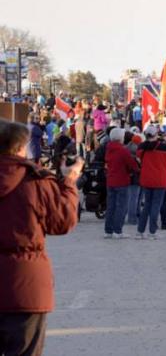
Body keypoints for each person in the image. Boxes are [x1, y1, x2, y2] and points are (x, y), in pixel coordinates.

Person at [0, 119, 81, 356]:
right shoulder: (36, 181)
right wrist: (68, 182)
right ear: (20, 147)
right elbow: (62, 223)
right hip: (26, 286)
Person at [136, 127, 166, 239]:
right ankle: (152, 232)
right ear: (156, 135)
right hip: (160, 180)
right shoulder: (164, 147)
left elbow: (138, 155)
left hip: (147, 179)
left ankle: (140, 231)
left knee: (147, 205)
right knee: (155, 206)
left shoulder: (141, 147)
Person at [103, 128, 139, 239]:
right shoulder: (123, 151)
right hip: (122, 180)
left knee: (111, 206)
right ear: (120, 138)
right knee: (121, 207)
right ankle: (117, 230)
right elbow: (132, 165)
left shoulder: (108, 149)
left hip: (111, 180)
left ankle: (108, 230)